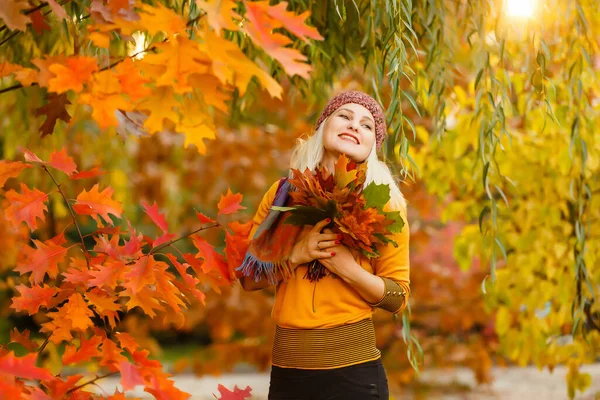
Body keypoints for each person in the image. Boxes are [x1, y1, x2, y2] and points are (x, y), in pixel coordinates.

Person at [238, 91, 410, 400]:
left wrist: (347, 268)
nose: (354, 125)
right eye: (344, 116)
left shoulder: (386, 205)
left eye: (366, 124)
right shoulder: (281, 197)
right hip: (288, 373)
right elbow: (248, 279)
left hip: (354, 375)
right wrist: (296, 254)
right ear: (323, 127)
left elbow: (397, 298)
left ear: (373, 145)